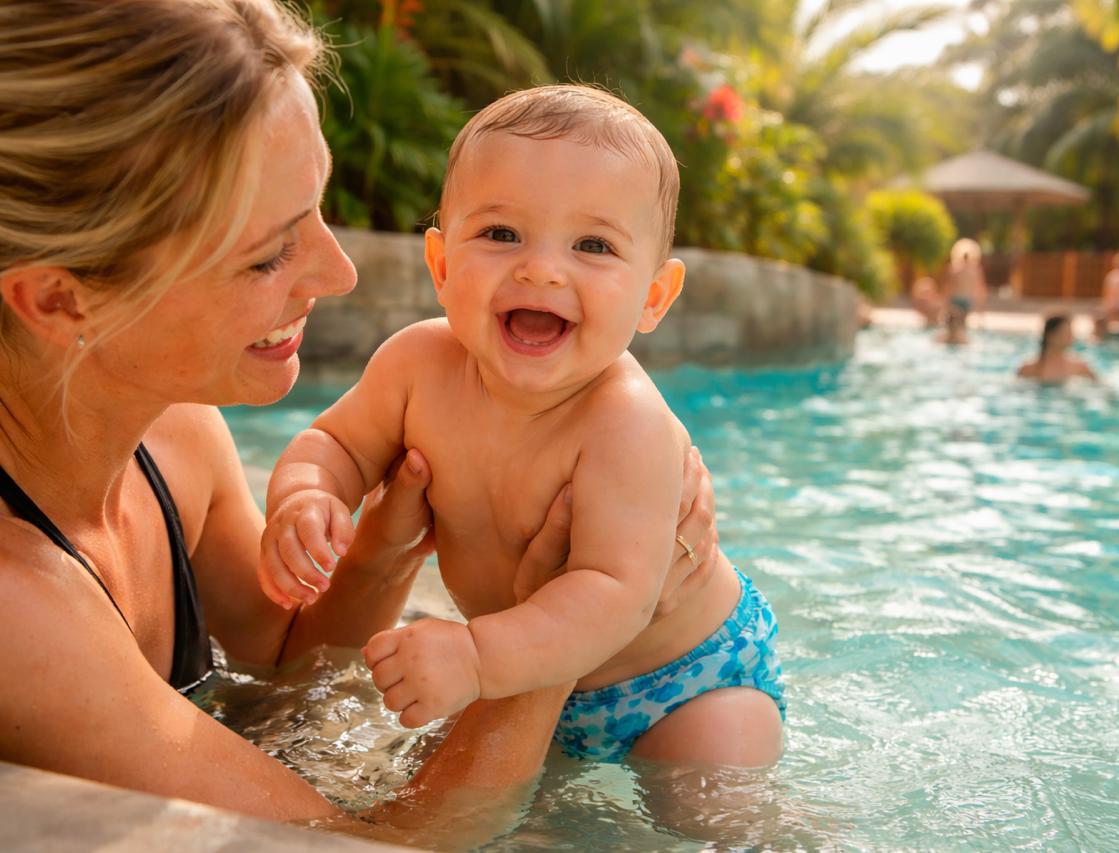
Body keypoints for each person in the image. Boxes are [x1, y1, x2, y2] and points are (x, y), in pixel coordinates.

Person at [0, 0, 716, 835]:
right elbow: (381, 847)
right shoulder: (21, 615)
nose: (338, 273)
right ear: (57, 298)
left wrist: (378, 546)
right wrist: (555, 636)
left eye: (318, 212)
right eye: (271, 250)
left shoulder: (175, 435)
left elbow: (289, 671)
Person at [260, 86, 786, 768]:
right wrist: (307, 496)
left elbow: (614, 594)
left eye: (593, 244)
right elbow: (332, 443)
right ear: (442, 266)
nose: (541, 267)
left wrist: (477, 656)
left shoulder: (627, 421)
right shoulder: (416, 365)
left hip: (687, 681)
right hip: (522, 669)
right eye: (502, 233)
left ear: (652, 297)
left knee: (714, 817)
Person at [1017, 315, 1099, 383]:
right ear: (1050, 336)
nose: (1071, 337)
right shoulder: (1029, 368)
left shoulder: (1079, 366)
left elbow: (1100, 387)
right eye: (1067, 333)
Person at [944, 237, 988, 317]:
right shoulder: (973, 270)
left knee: (956, 318)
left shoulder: (955, 268)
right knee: (961, 318)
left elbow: (949, 284)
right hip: (965, 297)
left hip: (957, 297)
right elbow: (980, 285)